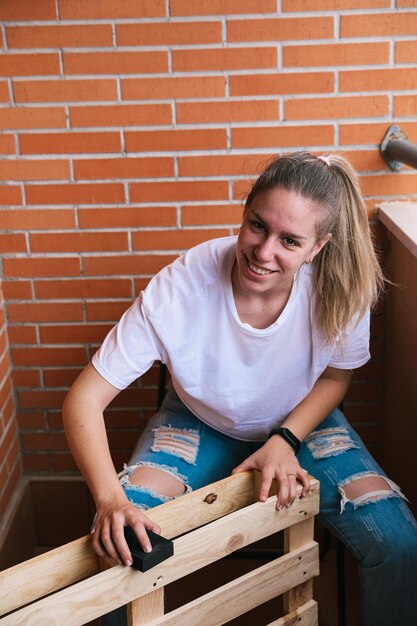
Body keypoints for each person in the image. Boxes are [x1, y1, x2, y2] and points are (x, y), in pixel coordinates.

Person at [63, 152, 417, 626]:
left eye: (290, 240)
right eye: (257, 226)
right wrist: (110, 501)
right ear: (244, 209)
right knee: (120, 550)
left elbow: (335, 378)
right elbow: (84, 399)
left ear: (318, 246)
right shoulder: (182, 286)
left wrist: (285, 439)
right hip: (198, 421)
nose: (264, 251)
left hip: (301, 424)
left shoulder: (340, 287)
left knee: (399, 545)